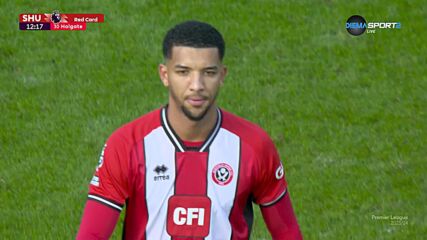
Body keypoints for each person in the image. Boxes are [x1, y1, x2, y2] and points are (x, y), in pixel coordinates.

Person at [77, 20, 303, 240]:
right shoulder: (126, 145)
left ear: (222, 75)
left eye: (209, 72)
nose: (197, 85)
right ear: (165, 75)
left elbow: (287, 233)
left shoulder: (254, 146)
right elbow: (92, 235)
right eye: (184, 72)